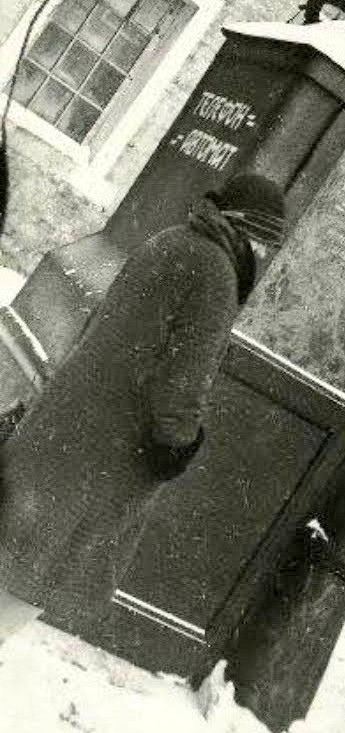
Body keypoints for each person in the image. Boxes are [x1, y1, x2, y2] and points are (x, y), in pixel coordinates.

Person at [0, 172, 285, 644]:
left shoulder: (170, 241)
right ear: (245, 231)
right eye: (263, 244)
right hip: (102, 462)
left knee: (13, 562)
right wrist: (177, 447)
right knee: (30, 585)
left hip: (60, 437)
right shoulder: (216, 275)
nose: (263, 257)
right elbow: (181, 384)